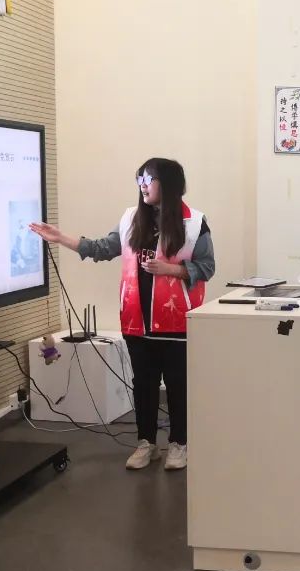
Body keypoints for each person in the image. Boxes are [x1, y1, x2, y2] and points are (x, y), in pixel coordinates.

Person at [30, 158, 215, 470]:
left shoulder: (194, 223)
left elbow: (207, 267)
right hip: (136, 320)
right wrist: (61, 238)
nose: (142, 184)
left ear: (168, 183)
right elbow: (103, 248)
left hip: (176, 321)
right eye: (140, 178)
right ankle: (146, 444)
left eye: (149, 179)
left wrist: (170, 270)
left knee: (177, 385)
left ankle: (178, 444)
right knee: (143, 384)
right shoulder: (131, 218)